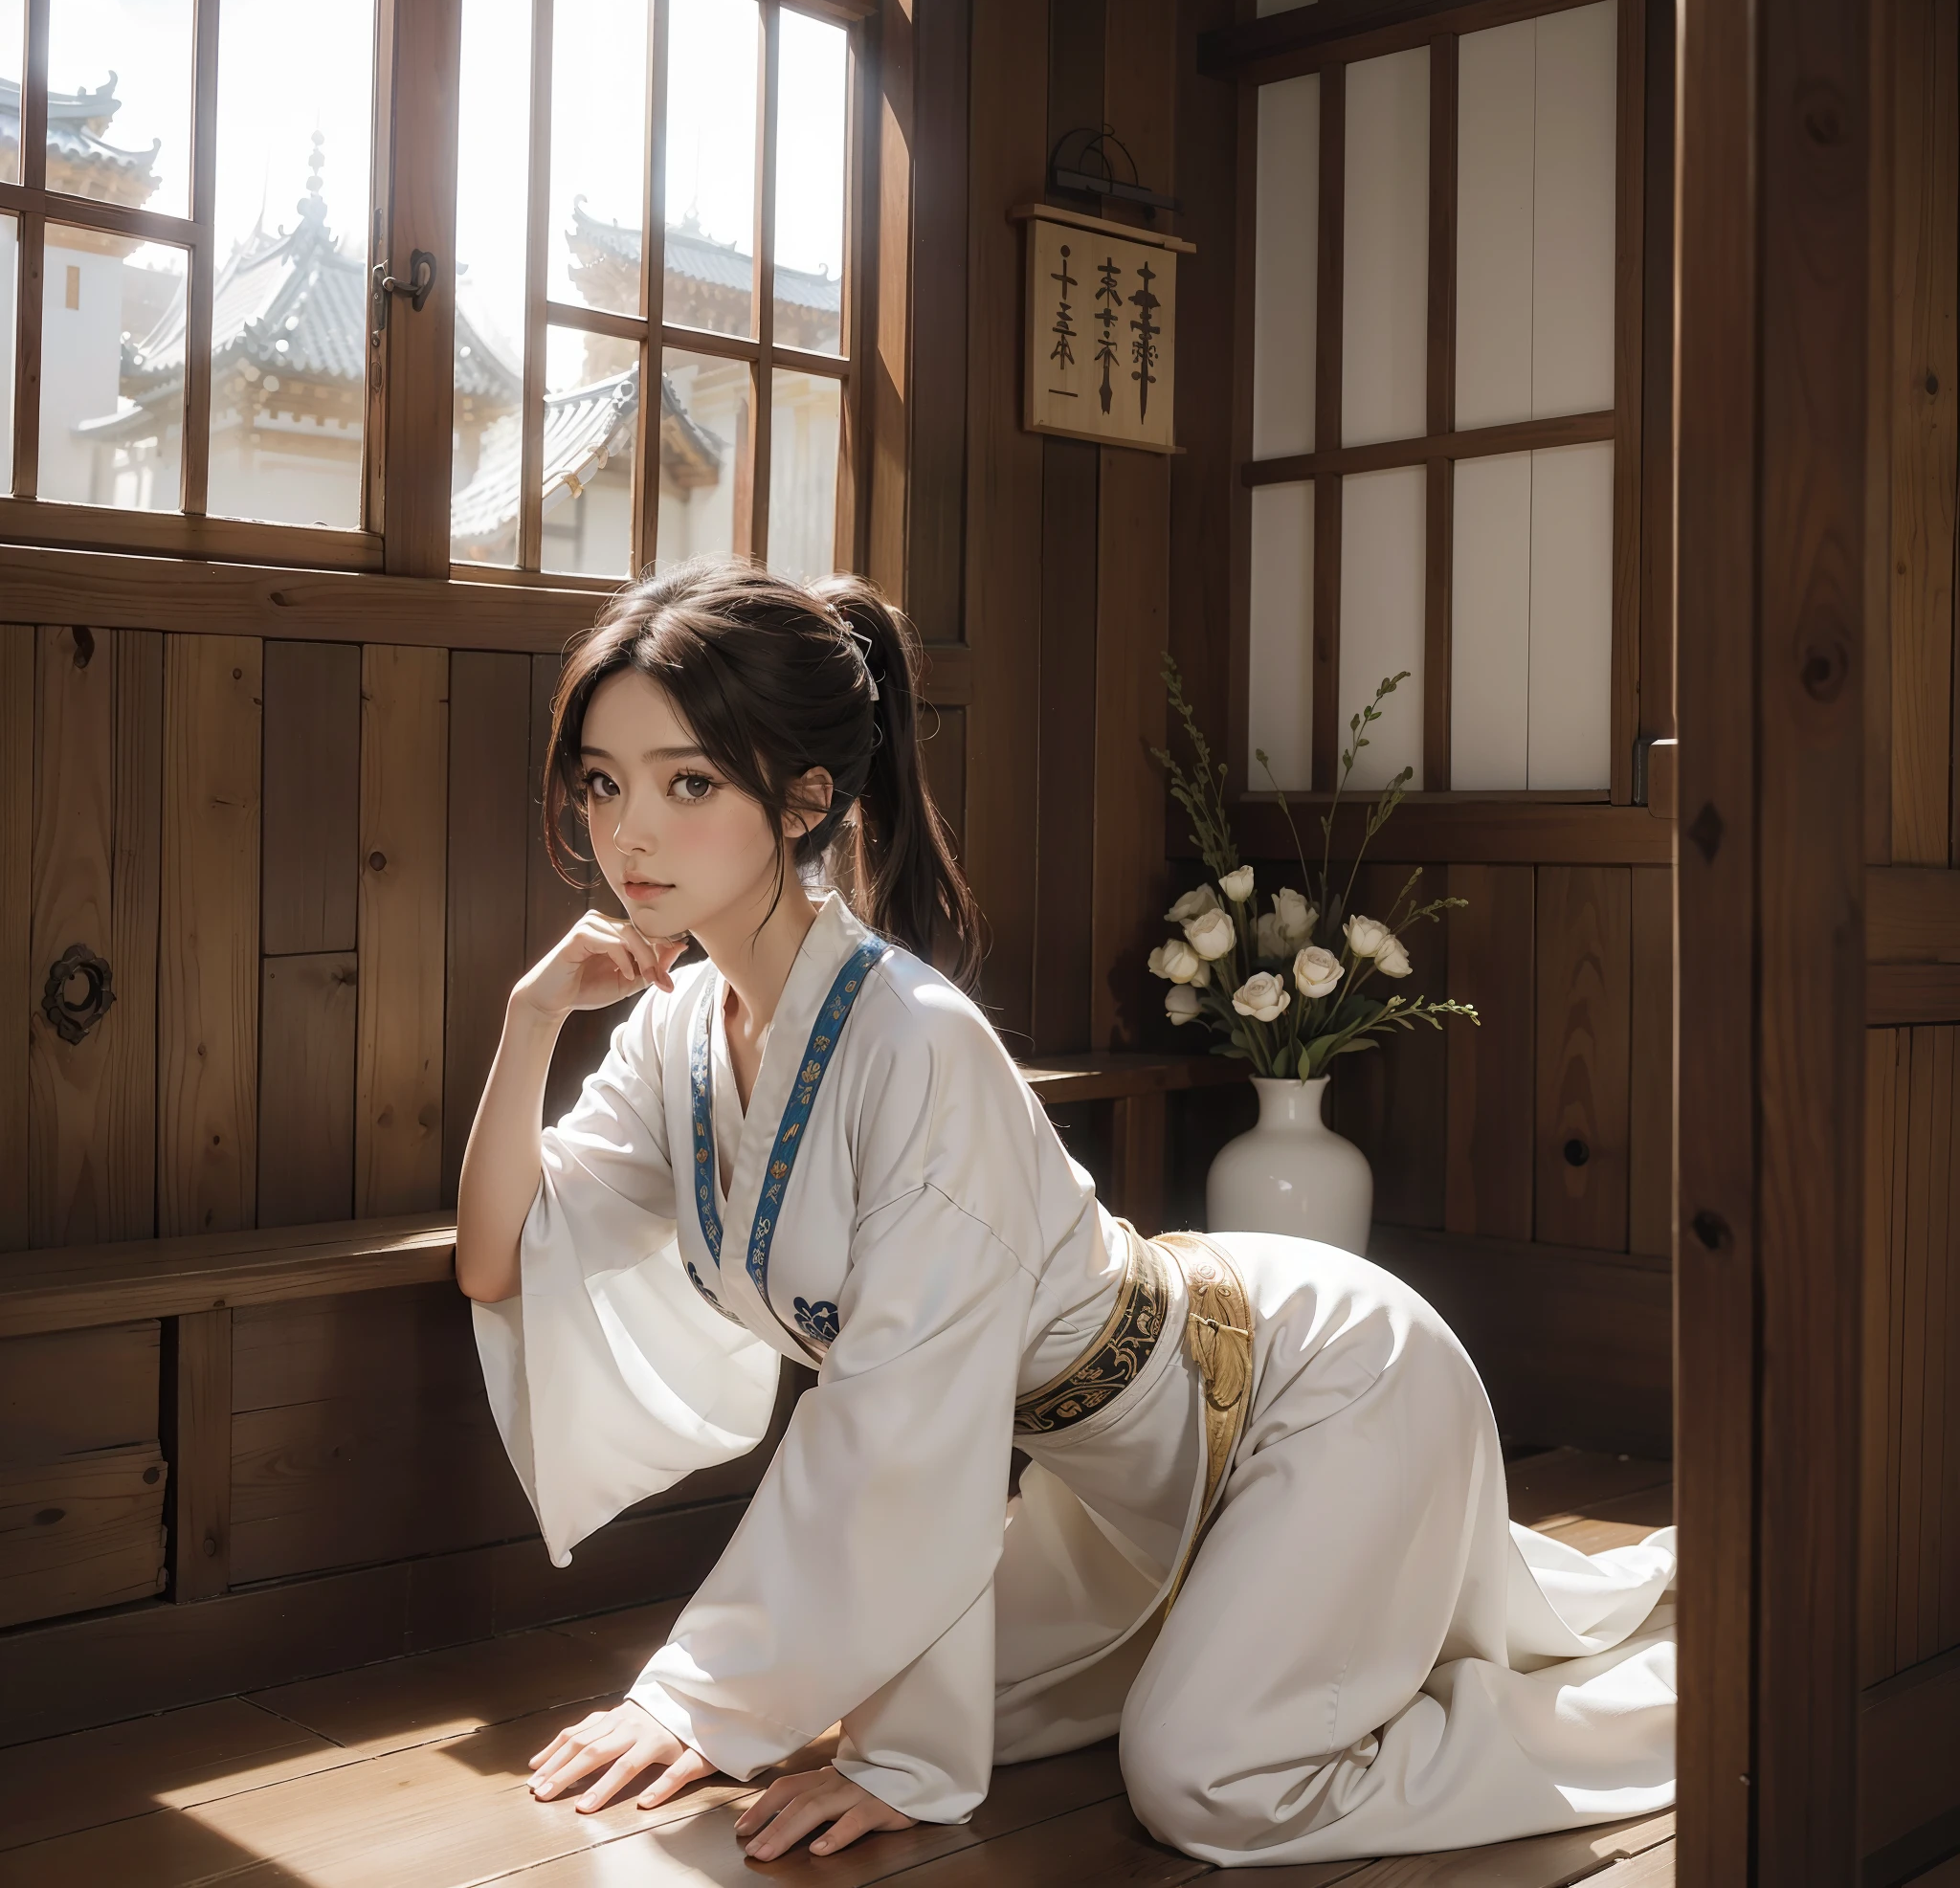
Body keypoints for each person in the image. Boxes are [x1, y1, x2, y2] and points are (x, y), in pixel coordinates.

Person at [455, 555, 1677, 1869]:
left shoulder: (917, 1040)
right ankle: (1319, 1627)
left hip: (1319, 1386)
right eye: (601, 780)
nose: (626, 833)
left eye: (687, 782)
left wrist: (795, 1729)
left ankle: (1673, 1710)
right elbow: (498, 1263)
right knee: (895, 1707)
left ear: (805, 795)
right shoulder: (679, 1032)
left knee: (1206, 1783)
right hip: (1111, 1490)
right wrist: (531, 1022)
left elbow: (908, 1417)